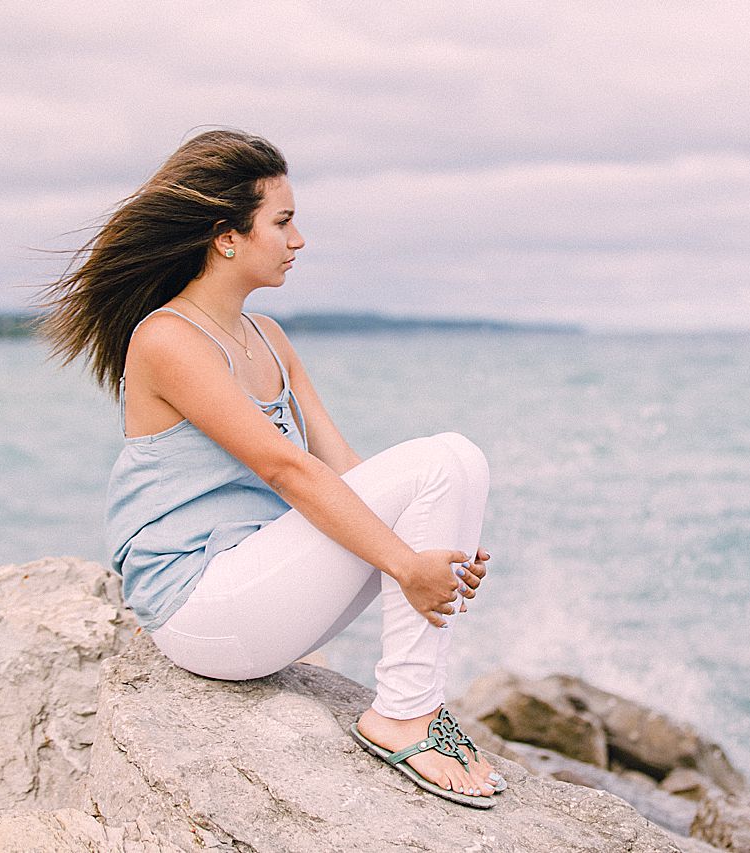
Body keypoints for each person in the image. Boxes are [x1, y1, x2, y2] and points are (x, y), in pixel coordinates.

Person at [38, 129, 503, 808]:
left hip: (254, 586)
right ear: (227, 236)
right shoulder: (166, 339)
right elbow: (287, 469)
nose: (299, 239)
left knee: (457, 464)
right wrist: (405, 564)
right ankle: (404, 712)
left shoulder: (270, 338)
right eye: (282, 222)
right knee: (440, 460)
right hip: (199, 605)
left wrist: (437, 545)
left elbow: (342, 467)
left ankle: (414, 706)